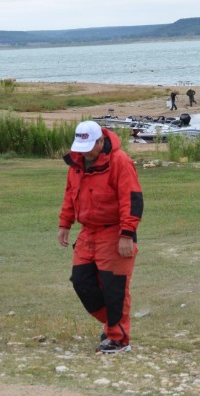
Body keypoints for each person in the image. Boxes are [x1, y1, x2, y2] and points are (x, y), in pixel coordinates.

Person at [58, 120, 143, 354]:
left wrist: (127, 234)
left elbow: (132, 199)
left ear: (101, 141)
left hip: (114, 232)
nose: (84, 153)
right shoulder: (76, 163)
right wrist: (65, 223)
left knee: (114, 287)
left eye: (88, 148)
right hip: (88, 232)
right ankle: (113, 324)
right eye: (80, 147)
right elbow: (70, 194)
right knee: (81, 281)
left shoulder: (120, 161)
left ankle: (119, 338)